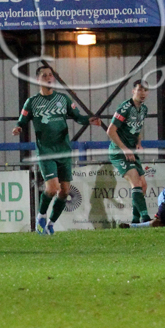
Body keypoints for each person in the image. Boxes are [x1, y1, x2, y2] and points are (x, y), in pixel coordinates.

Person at [13, 64, 102, 234]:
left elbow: (77, 117)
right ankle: (41, 216)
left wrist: (89, 120)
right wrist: (18, 127)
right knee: (52, 188)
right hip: (46, 151)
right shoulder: (32, 102)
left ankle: (51, 224)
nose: (48, 78)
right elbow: (22, 120)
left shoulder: (63, 99)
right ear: (38, 79)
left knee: (65, 191)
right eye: (44, 75)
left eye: (50, 75)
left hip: (64, 151)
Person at [108, 80, 150, 225]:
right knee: (136, 181)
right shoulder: (124, 108)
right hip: (118, 151)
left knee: (143, 186)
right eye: (140, 90)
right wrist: (124, 149)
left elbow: (137, 129)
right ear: (133, 91)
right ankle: (145, 218)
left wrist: (138, 143)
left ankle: (135, 220)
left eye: (145, 90)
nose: (143, 93)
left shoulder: (144, 109)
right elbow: (110, 131)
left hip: (131, 151)